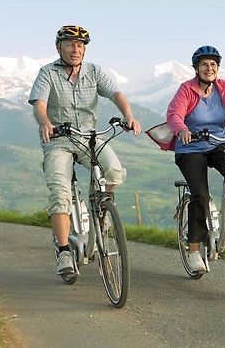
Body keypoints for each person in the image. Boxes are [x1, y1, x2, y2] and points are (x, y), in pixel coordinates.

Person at [147, 45, 225, 273]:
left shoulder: (224, 89)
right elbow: (175, 114)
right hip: (190, 148)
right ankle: (194, 249)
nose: (209, 68)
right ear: (196, 68)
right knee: (200, 196)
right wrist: (182, 130)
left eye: (213, 65)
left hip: (218, 143)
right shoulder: (186, 89)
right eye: (204, 64)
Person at [28, 24, 141, 276]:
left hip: (89, 137)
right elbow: (40, 104)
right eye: (70, 44)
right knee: (60, 194)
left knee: (113, 170)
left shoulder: (94, 72)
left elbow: (116, 94)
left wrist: (128, 115)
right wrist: (45, 123)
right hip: (58, 140)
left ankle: (101, 214)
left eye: (80, 46)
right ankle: (64, 250)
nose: (75, 49)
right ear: (59, 47)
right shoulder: (47, 73)